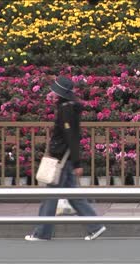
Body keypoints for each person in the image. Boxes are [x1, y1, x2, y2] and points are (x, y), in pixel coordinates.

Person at [25, 76, 106, 241]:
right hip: (66, 159)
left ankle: (42, 233)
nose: (52, 94)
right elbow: (73, 136)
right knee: (73, 196)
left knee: (51, 196)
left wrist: (77, 162)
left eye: (55, 91)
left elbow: (70, 136)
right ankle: (95, 226)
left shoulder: (66, 109)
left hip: (62, 158)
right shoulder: (68, 106)